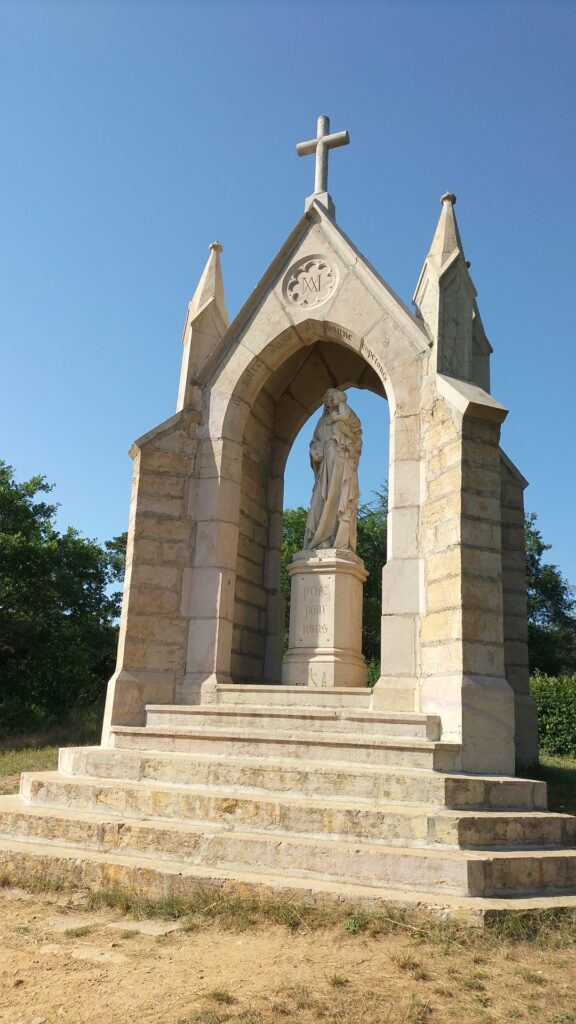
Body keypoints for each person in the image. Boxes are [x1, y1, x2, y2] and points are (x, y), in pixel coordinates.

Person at [303, 389, 362, 551]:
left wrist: (348, 438)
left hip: (343, 466)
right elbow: (314, 443)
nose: (331, 401)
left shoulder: (347, 419)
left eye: (333, 398)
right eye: (329, 398)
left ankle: (337, 539)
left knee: (340, 499)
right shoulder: (322, 422)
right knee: (320, 500)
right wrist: (316, 450)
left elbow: (357, 440)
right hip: (325, 471)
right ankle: (320, 539)